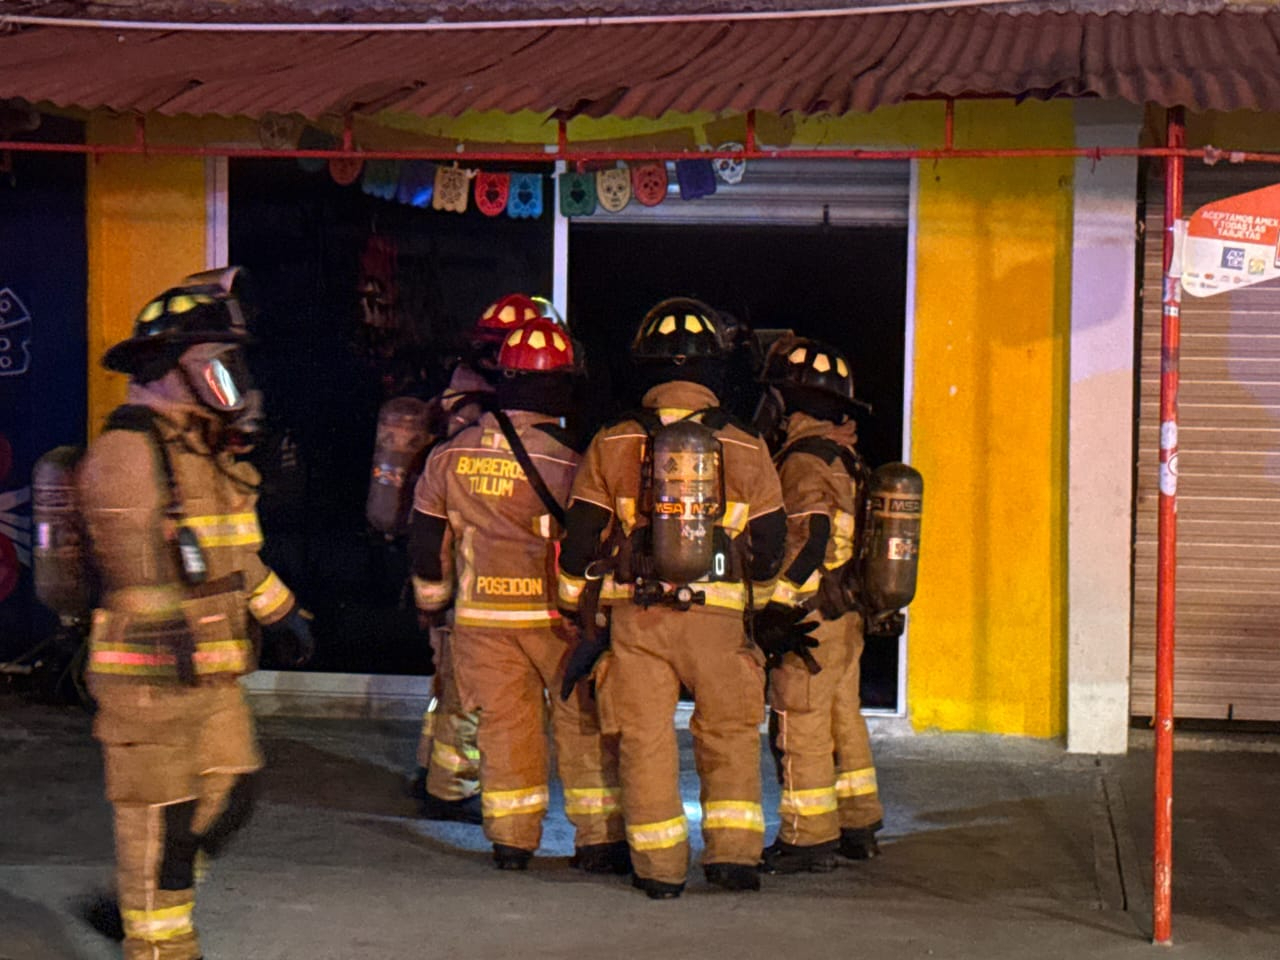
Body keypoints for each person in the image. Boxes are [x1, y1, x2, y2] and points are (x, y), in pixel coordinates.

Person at [79, 269, 314, 960]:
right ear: (169, 367)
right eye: (220, 361)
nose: (234, 376)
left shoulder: (196, 445)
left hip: (209, 672)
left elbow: (234, 550)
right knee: (161, 822)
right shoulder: (127, 452)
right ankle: (155, 942)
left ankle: (146, 900)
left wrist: (282, 612)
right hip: (150, 678)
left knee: (234, 792)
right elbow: (148, 574)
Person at [557, 297, 787, 899]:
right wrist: (759, 608)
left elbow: (580, 535)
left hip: (639, 615)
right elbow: (770, 539)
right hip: (720, 622)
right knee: (730, 734)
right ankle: (735, 859)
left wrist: (576, 604)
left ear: (645, 367)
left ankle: (659, 870)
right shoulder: (745, 445)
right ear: (713, 368)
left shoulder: (612, 440)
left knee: (644, 739)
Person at [409, 315, 627, 873]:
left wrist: (432, 605)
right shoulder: (573, 461)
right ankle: (597, 841)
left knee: (504, 729)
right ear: (560, 386)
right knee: (579, 725)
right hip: (557, 622)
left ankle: (512, 842)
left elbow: (426, 537)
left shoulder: (449, 455)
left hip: (481, 621)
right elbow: (591, 539)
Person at [405, 292, 547, 824]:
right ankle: (449, 787)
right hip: (467, 568)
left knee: (452, 680)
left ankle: (435, 772)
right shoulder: (483, 413)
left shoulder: (460, 399)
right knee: (465, 687)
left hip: (450, 564)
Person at [753, 335, 885, 874]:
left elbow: (811, 537)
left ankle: (808, 837)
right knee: (841, 716)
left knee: (799, 717)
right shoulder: (845, 455)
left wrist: (778, 609)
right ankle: (858, 822)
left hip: (811, 615)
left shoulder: (804, 460)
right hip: (846, 612)